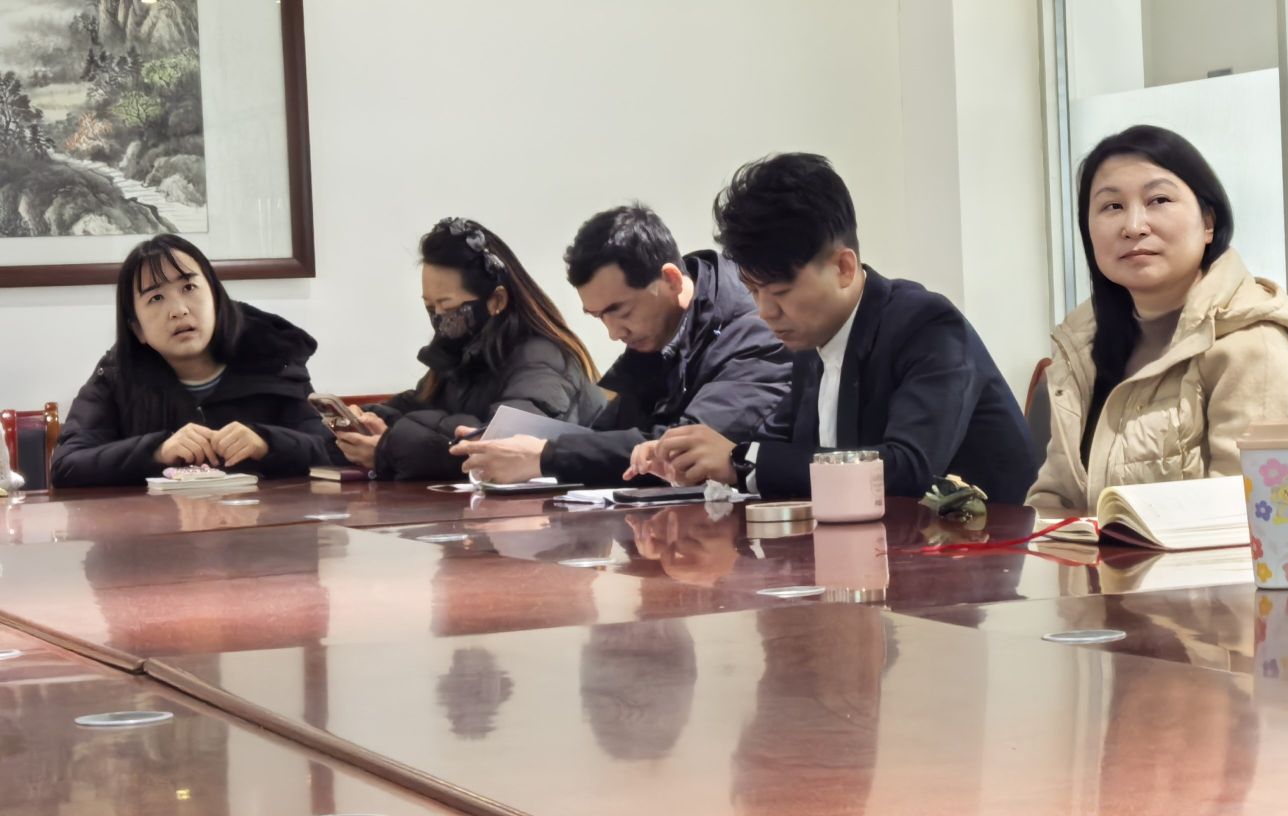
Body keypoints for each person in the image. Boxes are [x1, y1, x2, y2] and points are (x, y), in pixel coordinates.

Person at [648, 153, 1035, 503]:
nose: (765, 311)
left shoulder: (928, 326)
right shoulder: (813, 342)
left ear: (843, 268)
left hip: (985, 547)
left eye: (781, 292)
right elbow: (774, 447)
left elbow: (909, 468)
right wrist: (694, 456)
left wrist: (740, 461)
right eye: (753, 291)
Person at [1025, 125, 1288, 513]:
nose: (1134, 226)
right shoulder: (1082, 348)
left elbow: (1268, 515)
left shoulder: (1255, 342)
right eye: (1112, 207)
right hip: (1096, 555)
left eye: (1159, 200)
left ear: (1208, 222)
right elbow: (1053, 500)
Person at [452, 204, 791, 485]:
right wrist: (509, 444)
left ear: (671, 280)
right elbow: (608, 435)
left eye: (621, 311)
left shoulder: (757, 329)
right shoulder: (659, 334)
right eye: (598, 316)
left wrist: (545, 456)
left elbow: (683, 450)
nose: (613, 333)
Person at [332, 217, 603, 480]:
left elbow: (498, 442)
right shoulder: (460, 353)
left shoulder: (544, 358)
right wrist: (369, 420)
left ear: (497, 300)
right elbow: (418, 408)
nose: (438, 317)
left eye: (447, 306)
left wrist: (388, 449)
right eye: (429, 306)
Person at [52, 234, 330, 488]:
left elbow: (332, 450)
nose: (178, 310)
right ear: (137, 329)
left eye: (189, 287)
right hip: (156, 524)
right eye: (156, 297)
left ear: (216, 299)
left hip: (265, 522)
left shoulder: (272, 356)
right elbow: (67, 465)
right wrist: (156, 451)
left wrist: (267, 443)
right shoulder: (117, 376)